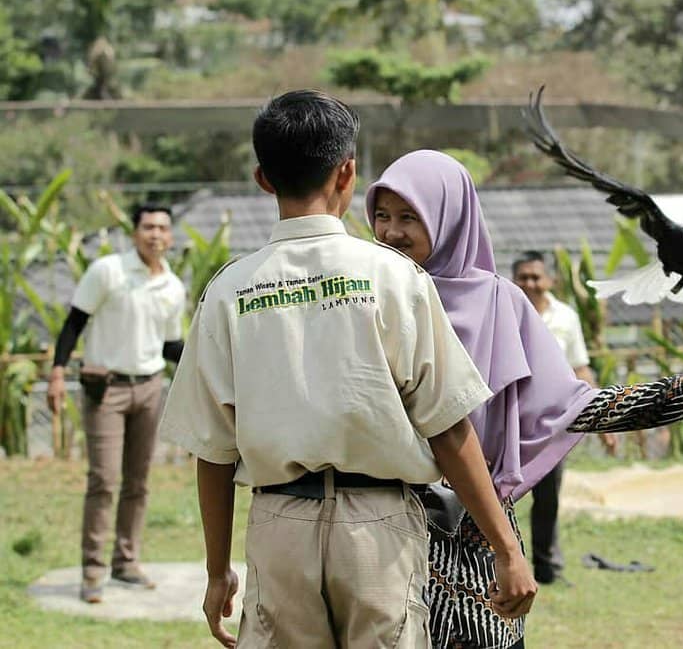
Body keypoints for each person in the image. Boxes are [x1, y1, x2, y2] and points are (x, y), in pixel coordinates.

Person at [159, 90, 536, 649]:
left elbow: (212, 451)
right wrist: (505, 549)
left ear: (263, 179)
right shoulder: (394, 277)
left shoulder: (229, 291)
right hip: (379, 529)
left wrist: (219, 572)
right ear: (348, 173)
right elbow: (450, 425)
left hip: (279, 525)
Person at [367, 149, 683, 648]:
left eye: (410, 217)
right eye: (381, 216)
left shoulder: (500, 304)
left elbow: (571, 405)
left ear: (451, 218)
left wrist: (677, 387)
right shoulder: (364, 300)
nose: (390, 232)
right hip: (379, 529)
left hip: (478, 535)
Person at [46, 203, 186, 604]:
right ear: (134, 233)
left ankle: (126, 563)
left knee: (138, 483)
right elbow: (75, 322)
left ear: (171, 236)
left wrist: (209, 357)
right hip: (105, 389)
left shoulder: (172, 287)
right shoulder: (108, 271)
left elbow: (169, 344)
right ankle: (92, 571)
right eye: (148, 227)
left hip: (149, 388)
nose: (155, 234)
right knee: (104, 480)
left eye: (162, 228)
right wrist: (57, 373)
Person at [511, 250, 602, 586]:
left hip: (550, 425)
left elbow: (580, 367)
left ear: (549, 280)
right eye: (523, 277)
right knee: (497, 495)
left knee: (547, 498)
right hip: (507, 422)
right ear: (513, 280)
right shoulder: (504, 313)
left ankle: (547, 569)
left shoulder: (566, 317)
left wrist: (599, 414)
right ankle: (499, 566)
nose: (530, 284)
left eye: (536, 277)